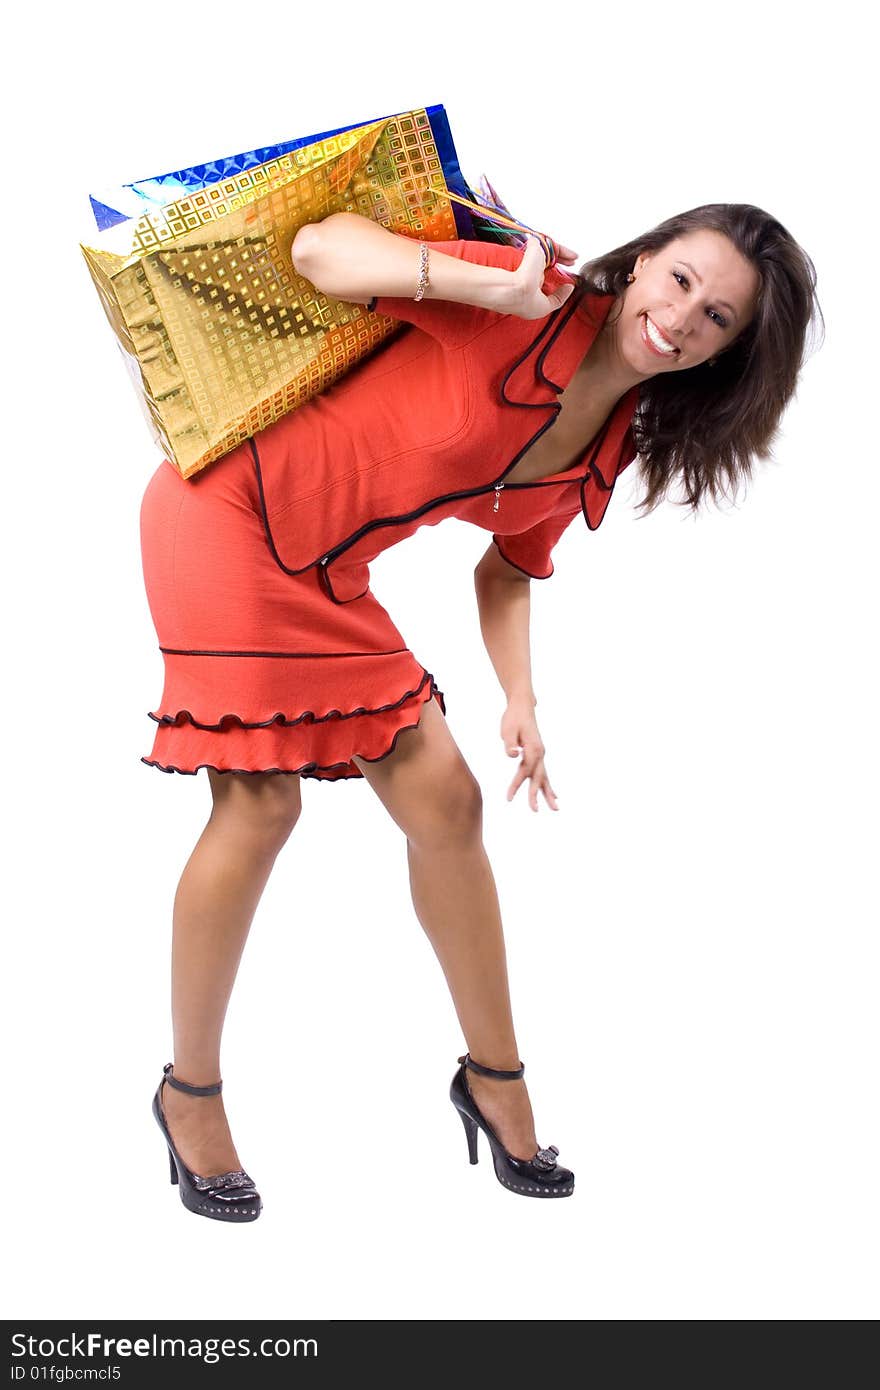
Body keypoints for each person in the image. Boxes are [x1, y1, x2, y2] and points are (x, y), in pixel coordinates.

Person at [142, 205, 821, 1221]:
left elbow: (507, 571)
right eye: (679, 281)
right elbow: (317, 251)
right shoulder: (523, 297)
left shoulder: (612, 444)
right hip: (227, 513)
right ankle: (188, 1094)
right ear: (642, 262)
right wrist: (479, 283)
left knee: (449, 805)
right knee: (260, 807)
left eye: (716, 316)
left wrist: (520, 698)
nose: (682, 319)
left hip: (330, 572)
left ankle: (493, 1078)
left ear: (730, 351)